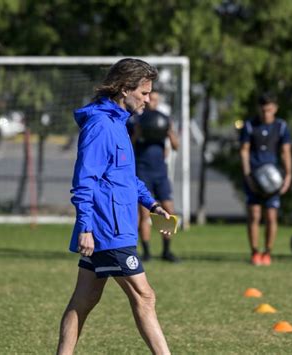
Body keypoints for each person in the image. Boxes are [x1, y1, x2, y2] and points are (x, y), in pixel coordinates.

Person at [57, 58, 171, 355]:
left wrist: (153, 204)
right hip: (108, 231)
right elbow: (85, 181)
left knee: (83, 301)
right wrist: (85, 227)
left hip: (116, 227)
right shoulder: (99, 126)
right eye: (144, 93)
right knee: (145, 297)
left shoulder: (119, 123)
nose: (148, 99)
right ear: (124, 89)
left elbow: (126, 178)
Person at [239, 92, 292, 266]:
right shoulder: (249, 125)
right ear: (259, 109)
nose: (266, 113)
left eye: (269, 110)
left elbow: (285, 152)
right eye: (263, 110)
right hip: (254, 178)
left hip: (273, 179)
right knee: (254, 215)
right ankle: (255, 252)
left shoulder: (281, 126)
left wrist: (288, 175)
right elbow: (245, 151)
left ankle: (267, 252)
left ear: (275, 109)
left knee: (271, 216)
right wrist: (247, 175)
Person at [130, 91, 180, 262]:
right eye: (151, 98)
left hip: (160, 172)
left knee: (168, 210)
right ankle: (146, 252)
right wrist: (138, 131)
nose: (153, 102)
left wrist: (169, 130)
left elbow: (175, 146)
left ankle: (167, 251)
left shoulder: (164, 119)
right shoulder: (136, 120)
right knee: (144, 214)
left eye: (156, 99)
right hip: (143, 170)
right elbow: (130, 145)